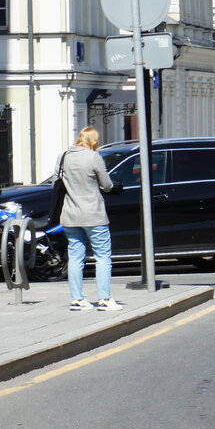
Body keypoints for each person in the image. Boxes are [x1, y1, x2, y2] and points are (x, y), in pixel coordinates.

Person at [59, 126, 121, 311]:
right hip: (93, 215)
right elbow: (107, 185)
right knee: (102, 256)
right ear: (93, 141)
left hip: (70, 215)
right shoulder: (93, 157)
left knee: (76, 257)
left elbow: (58, 180)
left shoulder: (64, 157)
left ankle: (77, 300)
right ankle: (104, 299)